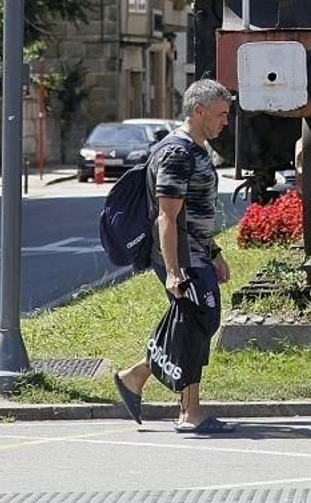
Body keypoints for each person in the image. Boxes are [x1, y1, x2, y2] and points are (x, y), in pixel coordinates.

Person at [112, 79, 233, 434]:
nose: (225, 122)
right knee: (196, 326)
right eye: (220, 114)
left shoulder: (193, 148)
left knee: (196, 325)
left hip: (197, 254)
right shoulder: (178, 154)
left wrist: (215, 253)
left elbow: (192, 214)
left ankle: (136, 378)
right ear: (198, 112)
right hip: (183, 259)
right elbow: (167, 216)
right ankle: (188, 412)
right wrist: (174, 271)